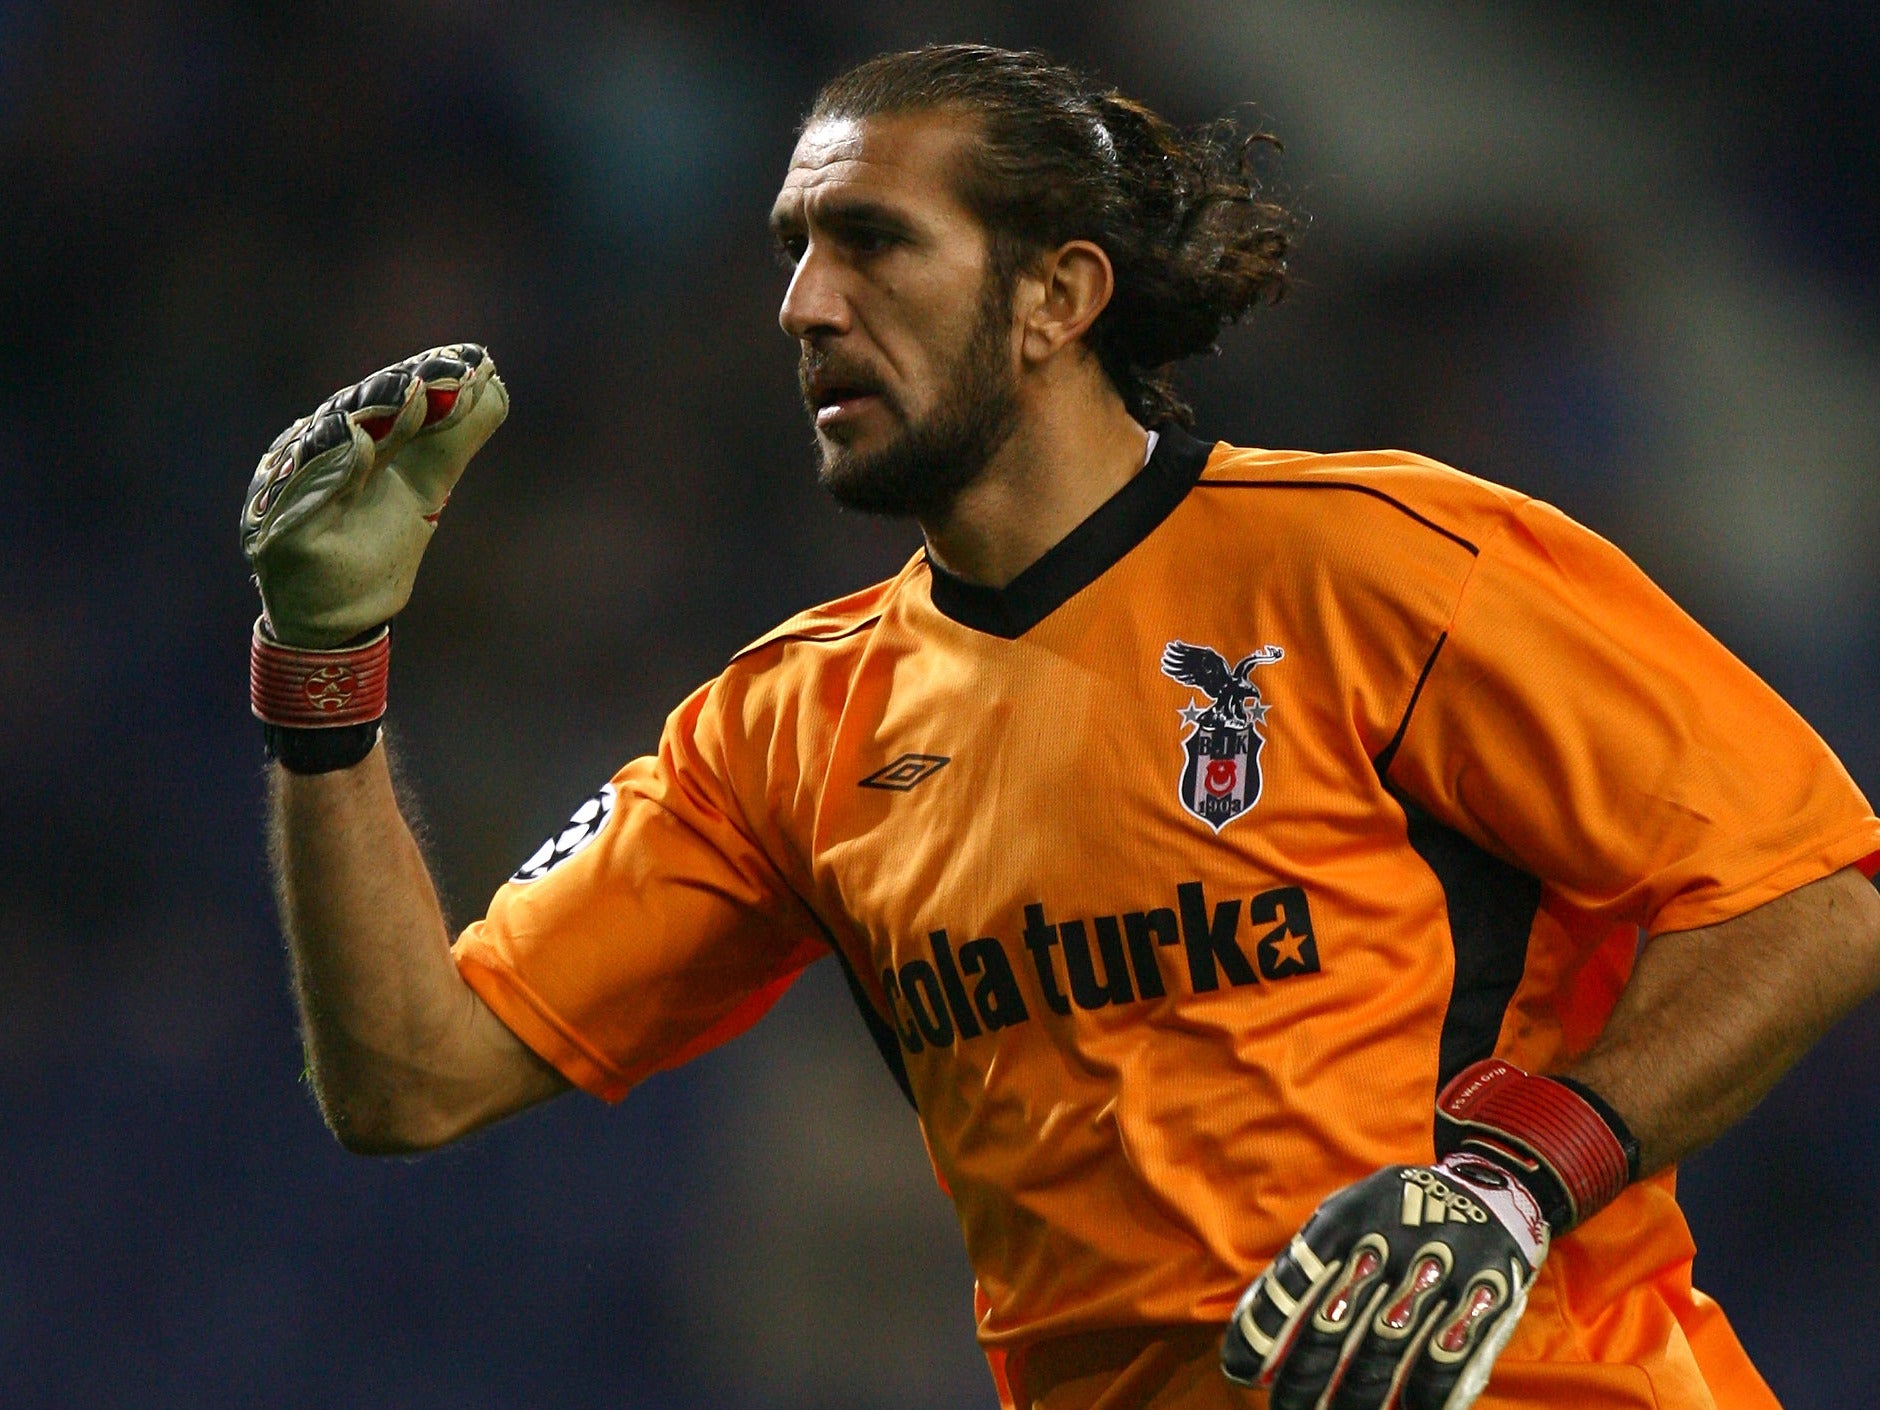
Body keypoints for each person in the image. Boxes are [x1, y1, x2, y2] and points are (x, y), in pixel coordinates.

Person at [240, 44, 1880, 1410]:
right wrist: (325, 668)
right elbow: (411, 1079)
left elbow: (1810, 897)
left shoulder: (1379, 561)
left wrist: (1521, 1172)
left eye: (874, 241)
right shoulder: (788, 729)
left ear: (1055, 297)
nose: (806, 304)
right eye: (794, 248)